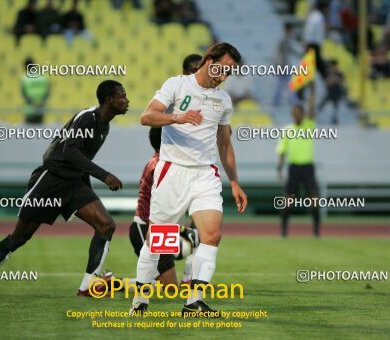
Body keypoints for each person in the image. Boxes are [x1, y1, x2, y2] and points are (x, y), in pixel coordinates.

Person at [0, 80, 129, 296]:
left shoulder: (104, 125)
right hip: (50, 182)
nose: (127, 100)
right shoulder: (88, 118)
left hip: (74, 184)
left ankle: (87, 287)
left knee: (106, 225)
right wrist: (104, 175)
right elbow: (70, 152)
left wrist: (88, 191)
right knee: (20, 237)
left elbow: (81, 160)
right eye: (122, 96)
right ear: (109, 99)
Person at [129, 42, 248, 316]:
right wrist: (178, 117)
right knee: (159, 241)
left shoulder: (223, 100)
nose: (224, 76)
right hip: (173, 171)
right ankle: (140, 301)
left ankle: (193, 301)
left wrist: (234, 181)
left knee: (212, 234)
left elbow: (225, 144)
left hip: (205, 173)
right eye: (222, 68)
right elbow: (147, 116)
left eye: (230, 72)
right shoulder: (177, 85)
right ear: (208, 60)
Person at [127, 54, 203, 291]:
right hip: (146, 228)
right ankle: (114, 285)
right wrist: (182, 231)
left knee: (171, 285)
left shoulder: (169, 163)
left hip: (162, 228)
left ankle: (184, 278)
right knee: (170, 288)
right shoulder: (158, 166)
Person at [277, 83, 320, 238]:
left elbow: (311, 107)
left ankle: (316, 232)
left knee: (315, 200)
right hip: (294, 168)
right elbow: (282, 151)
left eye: (298, 112)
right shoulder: (287, 130)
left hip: (308, 168)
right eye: (293, 112)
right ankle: (283, 232)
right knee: (288, 201)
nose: (295, 115)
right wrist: (279, 169)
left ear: (302, 114)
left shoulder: (309, 125)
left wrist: (312, 92)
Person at [273, 22, 301, 106]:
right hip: (282, 65)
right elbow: (278, 53)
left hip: (283, 65)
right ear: (288, 29)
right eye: (291, 29)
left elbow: (290, 50)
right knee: (285, 83)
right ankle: (293, 101)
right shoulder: (283, 39)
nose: (292, 31)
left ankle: (277, 101)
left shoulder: (286, 39)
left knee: (283, 83)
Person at [22, 57, 50, 124]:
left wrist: (33, 104)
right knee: (39, 131)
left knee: (29, 132)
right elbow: (48, 91)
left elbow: (24, 94)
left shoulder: (25, 77)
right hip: (41, 108)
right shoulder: (42, 76)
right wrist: (41, 103)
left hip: (30, 110)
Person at [318, 59, 346, 124]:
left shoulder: (339, 74)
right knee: (322, 105)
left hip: (337, 93)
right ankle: (317, 116)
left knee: (336, 108)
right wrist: (332, 80)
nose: (333, 67)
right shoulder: (328, 74)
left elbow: (342, 82)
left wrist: (335, 79)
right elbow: (326, 82)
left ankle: (334, 119)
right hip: (330, 92)